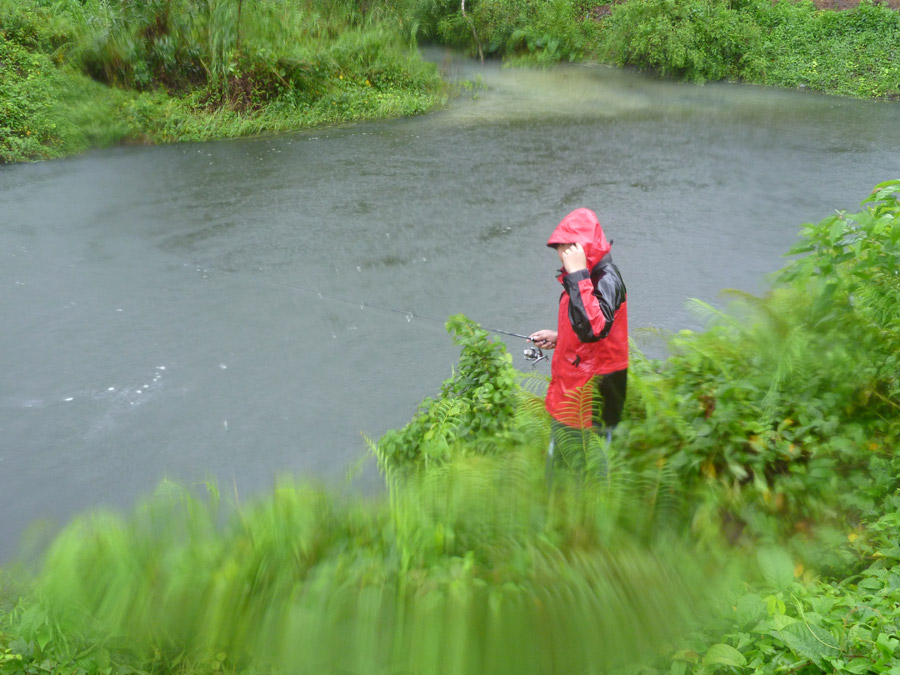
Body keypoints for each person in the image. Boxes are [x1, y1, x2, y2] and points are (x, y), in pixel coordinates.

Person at [529, 208, 628, 470]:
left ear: (583, 249)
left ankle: (585, 510)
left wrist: (577, 274)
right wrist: (560, 338)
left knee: (588, 471)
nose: (563, 257)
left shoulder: (607, 280)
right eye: (561, 250)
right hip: (571, 391)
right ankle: (559, 507)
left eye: (567, 249)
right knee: (559, 465)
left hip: (594, 396)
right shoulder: (586, 279)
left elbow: (594, 329)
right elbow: (587, 325)